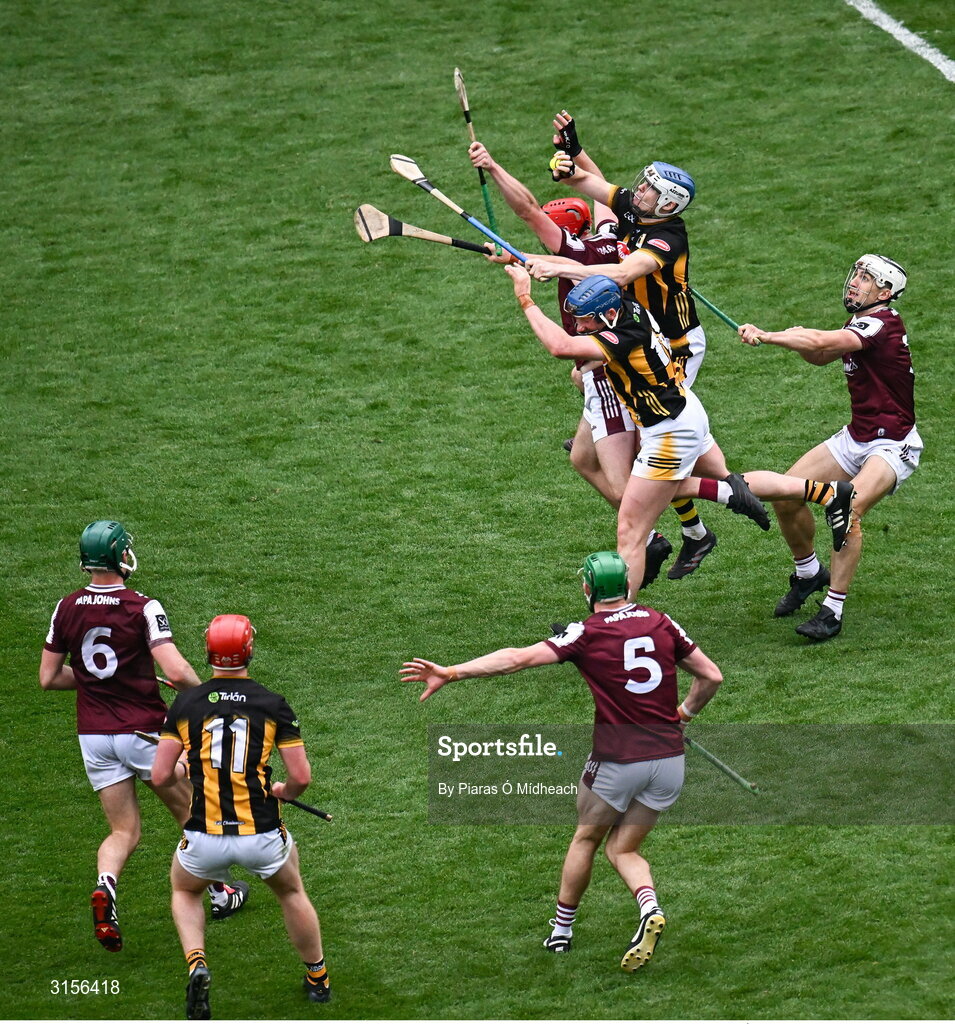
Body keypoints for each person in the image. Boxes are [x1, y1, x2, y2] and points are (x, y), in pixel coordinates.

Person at [401, 550, 723, 971]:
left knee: (586, 839)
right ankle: (649, 909)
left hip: (617, 761)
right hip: (669, 762)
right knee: (624, 848)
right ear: (628, 586)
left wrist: (453, 672)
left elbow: (516, 659)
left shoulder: (585, 633)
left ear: (588, 588)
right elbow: (711, 676)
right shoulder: (662, 622)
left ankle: (561, 930)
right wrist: (682, 716)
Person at [504, 269, 856, 598]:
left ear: (609, 316)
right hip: (685, 412)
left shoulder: (624, 332)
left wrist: (525, 297)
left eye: (584, 320)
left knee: (630, 531)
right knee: (733, 480)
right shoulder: (631, 307)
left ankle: (616, 622)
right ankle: (826, 492)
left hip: (669, 433)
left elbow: (559, 348)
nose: (579, 328)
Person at [469, 114, 715, 582]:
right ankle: (691, 527)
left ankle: (696, 519)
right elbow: (591, 184)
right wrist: (574, 155)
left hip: (670, 346)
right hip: (628, 344)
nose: (636, 190)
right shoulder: (617, 223)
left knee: (650, 468)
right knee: (589, 457)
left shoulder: (651, 239)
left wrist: (546, 266)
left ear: (666, 204)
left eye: (647, 189)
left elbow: (610, 274)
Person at [39, 520, 247, 954]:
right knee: (191, 810)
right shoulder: (142, 607)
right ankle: (219, 893)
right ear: (118, 556)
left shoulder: (66, 607)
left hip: (94, 737)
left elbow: (49, 677)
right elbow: (176, 671)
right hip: (145, 733)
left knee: (123, 830)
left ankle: (105, 887)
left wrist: (102, 681)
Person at [152, 614, 330, 1019]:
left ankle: (197, 962)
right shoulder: (272, 704)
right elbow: (301, 777)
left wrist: (184, 760)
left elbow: (162, 776)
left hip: (203, 837)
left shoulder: (186, 704)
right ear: (249, 650)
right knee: (291, 893)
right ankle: (317, 978)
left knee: (185, 891)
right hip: (261, 834)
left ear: (208, 652)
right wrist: (284, 790)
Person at [737, 253, 920, 640]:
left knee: (847, 510)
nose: (855, 281)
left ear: (885, 291)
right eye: (856, 274)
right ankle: (808, 574)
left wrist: (770, 336)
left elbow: (820, 341)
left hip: (892, 445)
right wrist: (796, 340)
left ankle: (832, 611)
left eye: (867, 279)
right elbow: (820, 355)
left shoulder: (880, 322)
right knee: (787, 494)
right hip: (856, 436)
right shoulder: (860, 321)